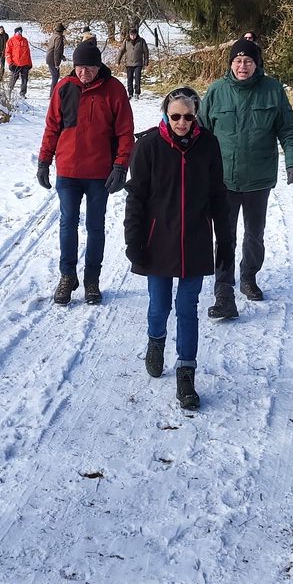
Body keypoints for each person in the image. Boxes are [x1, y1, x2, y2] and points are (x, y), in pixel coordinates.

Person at [124, 87, 231, 411]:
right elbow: (136, 198)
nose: (182, 122)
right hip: (158, 241)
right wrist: (133, 240)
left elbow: (217, 194)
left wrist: (225, 239)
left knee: (188, 308)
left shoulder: (208, 144)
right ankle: (155, 342)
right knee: (160, 306)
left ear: (195, 114)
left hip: (195, 240)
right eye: (175, 116)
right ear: (165, 114)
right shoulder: (148, 146)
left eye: (188, 116)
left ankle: (187, 372)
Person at [200, 37, 293, 320]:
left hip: (258, 178)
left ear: (257, 64)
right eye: (237, 61)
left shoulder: (272, 90)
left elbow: (288, 129)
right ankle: (223, 289)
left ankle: (248, 277)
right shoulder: (217, 91)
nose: (242, 66)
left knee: (254, 236)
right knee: (224, 237)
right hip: (224, 180)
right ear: (230, 64)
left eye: (247, 61)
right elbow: (201, 132)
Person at [37, 40, 134, 305]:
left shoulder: (114, 90)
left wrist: (120, 166)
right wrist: (44, 161)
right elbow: (51, 128)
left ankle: (92, 279)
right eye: (79, 67)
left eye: (89, 68)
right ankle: (67, 275)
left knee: (95, 226)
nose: (84, 73)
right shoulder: (64, 88)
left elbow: (125, 132)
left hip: (99, 173)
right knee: (68, 224)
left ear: (98, 66)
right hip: (68, 171)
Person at [117, 28, 149, 98]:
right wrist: (118, 61)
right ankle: (130, 93)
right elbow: (121, 51)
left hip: (138, 63)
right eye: (131, 35)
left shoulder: (141, 41)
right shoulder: (126, 41)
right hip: (129, 63)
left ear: (136, 34)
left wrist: (146, 62)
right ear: (129, 35)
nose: (133, 36)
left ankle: (137, 93)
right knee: (129, 79)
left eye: (134, 35)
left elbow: (146, 52)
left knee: (137, 78)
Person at [5, 26, 33, 97]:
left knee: (25, 80)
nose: (19, 33)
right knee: (13, 78)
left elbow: (28, 53)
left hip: (24, 64)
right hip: (15, 64)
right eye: (18, 32)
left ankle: (22, 94)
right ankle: (9, 91)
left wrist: (30, 63)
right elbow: (7, 53)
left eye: (20, 32)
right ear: (15, 32)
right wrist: (10, 63)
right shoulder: (10, 40)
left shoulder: (25, 40)